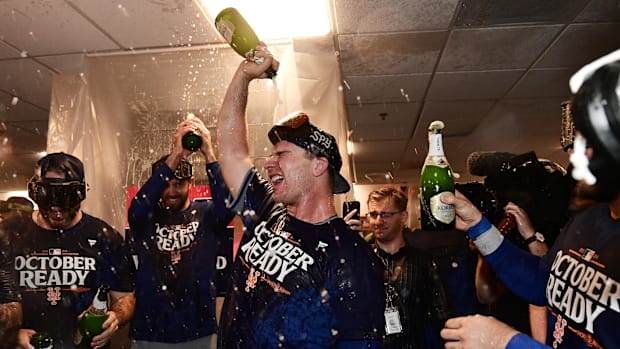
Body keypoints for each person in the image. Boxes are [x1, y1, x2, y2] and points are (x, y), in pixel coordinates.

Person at [440, 49, 620, 348]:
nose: (574, 155)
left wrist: (507, 342)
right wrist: (478, 225)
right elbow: (541, 284)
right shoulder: (589, 220)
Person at [214, 44, 385, 348]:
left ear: (319, 165)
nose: (269, 162)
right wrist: (243, 76)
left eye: (281, 154)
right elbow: (230, 150)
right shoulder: (268, 212)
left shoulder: (353, 257)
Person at [5, 152, 136, 349]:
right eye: (50, 202)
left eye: (65, 203)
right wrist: (11, 336)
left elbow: (126, 297)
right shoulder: (10, 234)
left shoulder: (103, 236)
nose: (57, 211)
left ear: (80, 194)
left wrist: (115, 317)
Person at [127, 119, 233, 348]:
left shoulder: (207, 214)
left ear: (191, 183)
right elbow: (135, 210)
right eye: (166, 184)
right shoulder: (146, 217)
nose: (171, 191)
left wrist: (209, 153)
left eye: (179, 184)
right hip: (150, 331)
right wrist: (175, 156)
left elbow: (227, 208)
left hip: (198, 330)